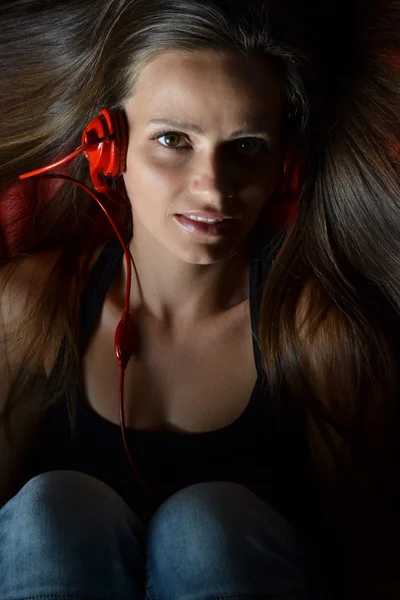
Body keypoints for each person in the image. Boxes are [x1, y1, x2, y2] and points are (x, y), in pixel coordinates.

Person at [0, 0, 399, 599]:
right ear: (106, 149)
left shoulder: (319, 336)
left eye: (246, 147)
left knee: (205, 527)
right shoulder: (33, 307)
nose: (212, 188)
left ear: (283, 167)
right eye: (172, 139)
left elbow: (371, 565)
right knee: (53, 510)